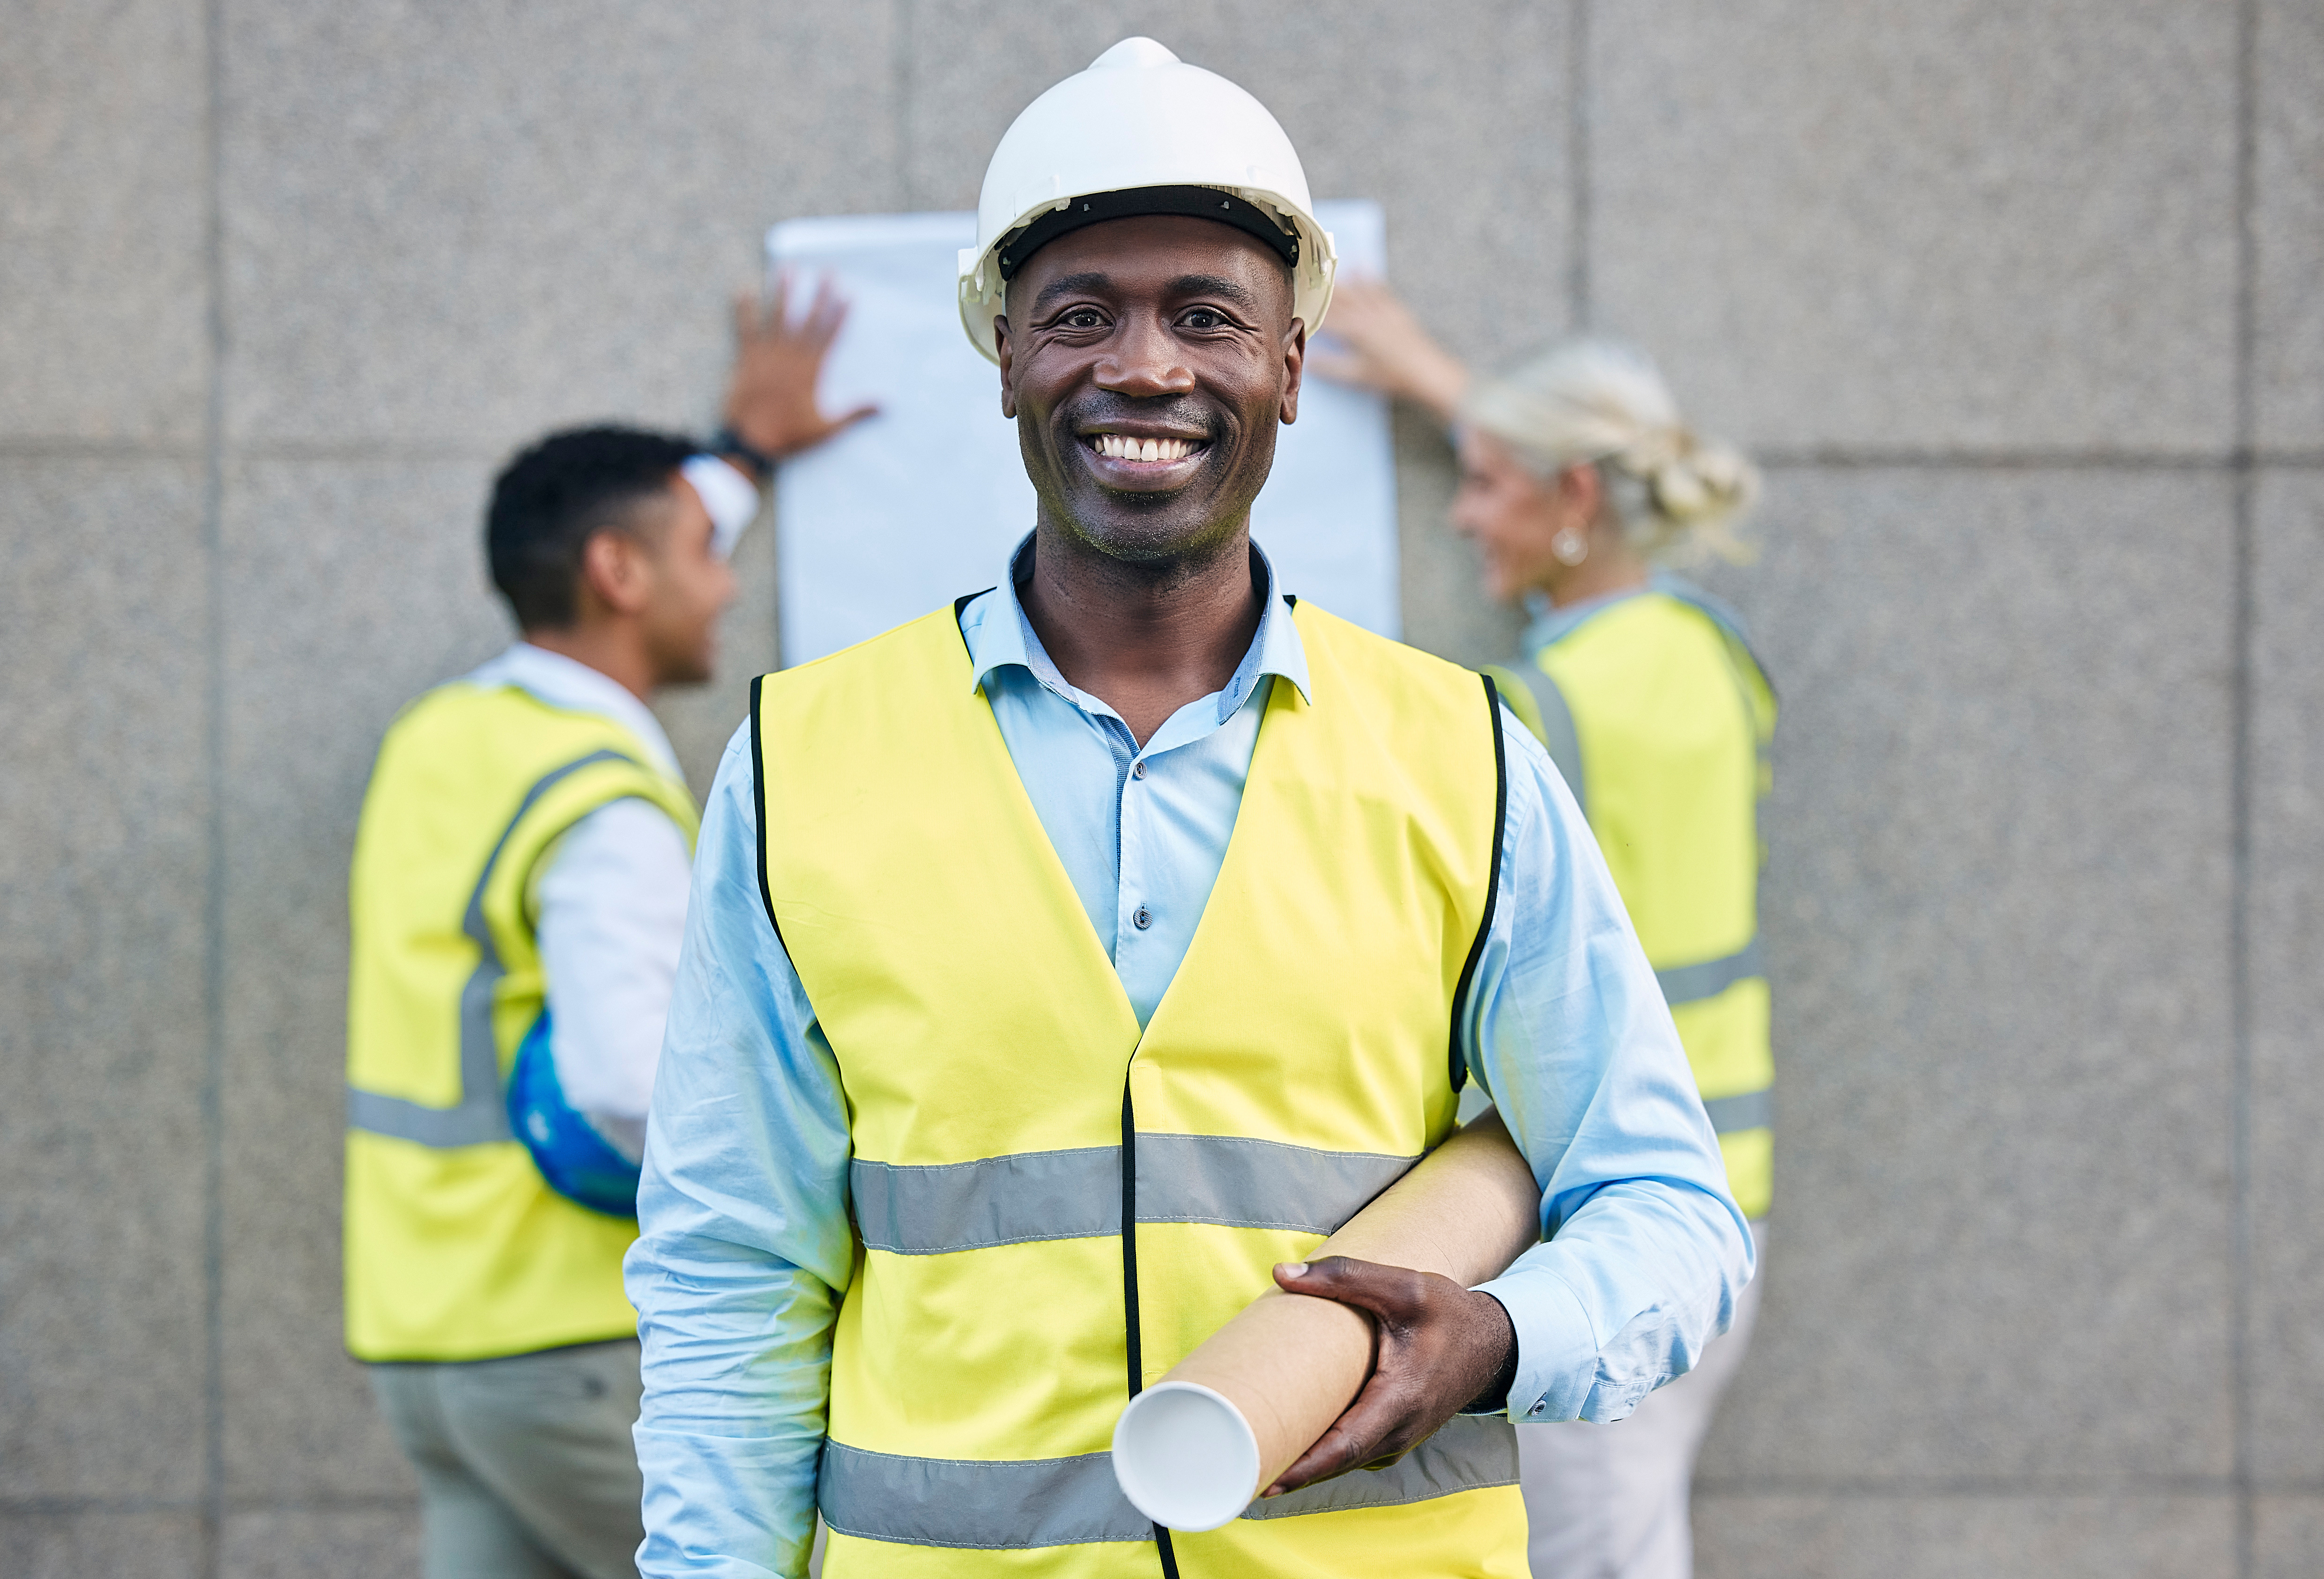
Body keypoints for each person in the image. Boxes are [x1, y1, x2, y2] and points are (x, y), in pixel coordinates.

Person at [627, 37, 1753, 1579]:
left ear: (1288, 368)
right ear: (1006, 358)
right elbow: (728, 1281)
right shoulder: (804, 761)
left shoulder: (1462, 757)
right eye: (1080, 315)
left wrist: (1502, 1333)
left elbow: (1666, 1201)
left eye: (1206, 317)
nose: (1142, 366)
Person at [342, 274, 872, 1579]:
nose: (728, 590)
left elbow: (630, 535)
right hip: (562, 1348)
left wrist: (735, 461)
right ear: (618, 571)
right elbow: (625, 1075)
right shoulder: (602, 803)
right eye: (707, 553)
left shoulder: (447, 737)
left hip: (430, 1343)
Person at [1314, 280, 1776, 1579]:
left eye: (1482, 481)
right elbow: (1584, 502)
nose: (1463, 513)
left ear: (1572, 495)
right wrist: (1446, 386)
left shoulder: (1527, 718)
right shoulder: (1710, 655)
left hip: (1597, 1208)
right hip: (1719, 1199)